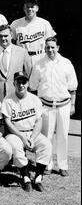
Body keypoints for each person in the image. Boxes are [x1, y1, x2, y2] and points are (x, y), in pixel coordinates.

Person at [29, 37, 78, 177]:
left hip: (64, 105)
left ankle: (63, 165)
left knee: (63, 136)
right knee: (47, 137)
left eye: (52, 47)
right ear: (44, 48)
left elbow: (73, 87)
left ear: (58, 47)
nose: (50, 50)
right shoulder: (39, 64)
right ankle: (47, 164)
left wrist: (73, 104)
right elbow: (32, 86)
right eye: (47, 47)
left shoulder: (66, 63)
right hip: (46, 105)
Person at [2, 72, 52, 192]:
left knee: (46, 145)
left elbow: (39, 121)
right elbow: (8, 123)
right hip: (15, 133)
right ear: (14, 83)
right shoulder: (8, 99)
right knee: (16, 148)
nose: (21, 85)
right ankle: (26, 177)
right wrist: (23, 138)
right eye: (18, 82)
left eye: (24, 82)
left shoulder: (34, 99)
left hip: (32, 132)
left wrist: (33, 138)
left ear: (28, 83)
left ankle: (38, 178)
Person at [0, 24, 32, 101]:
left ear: (11, 36)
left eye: (6, 36)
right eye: (0, 36)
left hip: (16, 96)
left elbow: (28, 74)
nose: (3, 38)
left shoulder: (22, 52)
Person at [10, 0, 56, 65]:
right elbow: (10, 43)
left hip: (41, 58)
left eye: (32, 7)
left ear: (37, 8)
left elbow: (52, 43)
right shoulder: (15, 24)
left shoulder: (45, 23)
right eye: (27, 7)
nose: (29, 9)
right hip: (22, 59)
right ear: (24, 8)